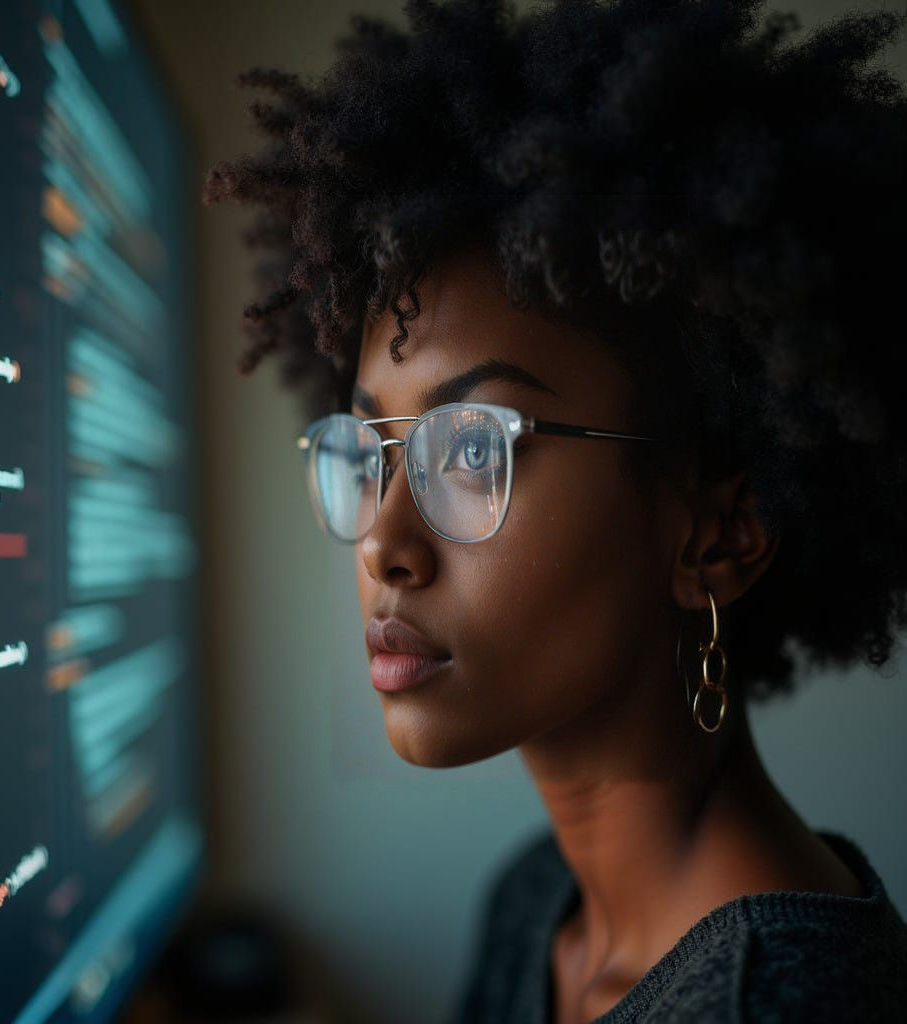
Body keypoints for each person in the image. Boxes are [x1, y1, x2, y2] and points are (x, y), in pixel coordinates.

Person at [203, 0, 907, 1020]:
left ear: (717, 534)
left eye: (472, 449)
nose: (384, 542)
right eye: (372, 451)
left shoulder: (780, 1005)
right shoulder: (537, 904)